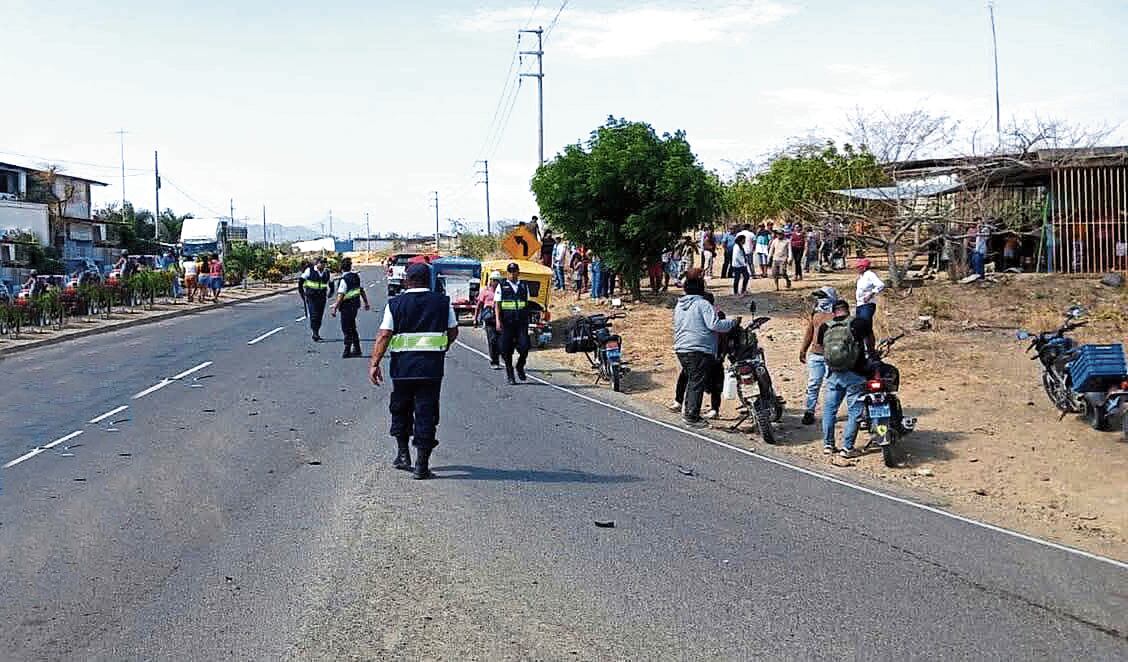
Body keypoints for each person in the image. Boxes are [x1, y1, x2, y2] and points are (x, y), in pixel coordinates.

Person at [369, 263, 458, 479]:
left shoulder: (395, 304)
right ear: (429, 280)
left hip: (403, 370)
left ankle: (402, 455)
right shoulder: (442, 302)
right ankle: (421, 465)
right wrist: (440, 347)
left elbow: (384, 335)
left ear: (407, 280)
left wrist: (374, 363)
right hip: (431, 370)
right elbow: (453, 331)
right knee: (427, 413)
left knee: (400, 409)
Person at [673, 269, 736, 429]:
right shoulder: (703, 304)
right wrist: (733, 323)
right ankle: (692, 416)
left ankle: (687, 410)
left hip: (681, 348)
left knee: (691, 379)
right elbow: (714, 325)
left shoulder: (680, 305)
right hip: (698, 349)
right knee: (696, 382)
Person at [819, 299, 874, 458]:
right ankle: (847, 448)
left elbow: (823, 349)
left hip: (834, 374)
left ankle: (828, 445)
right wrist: (872, 354)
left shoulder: (825, 326)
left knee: (829, 410)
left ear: (833, 311)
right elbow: (870, 343)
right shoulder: (859, 323)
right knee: (854, 412)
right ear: (847, 310)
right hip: (856, 374)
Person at [669, 292, 726, 418]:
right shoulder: (696, 315)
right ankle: (680, 402)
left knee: (714, 381)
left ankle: (712, 409)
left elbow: (722, 335)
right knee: (686, 376)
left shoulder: (716, 315)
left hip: (711, 353)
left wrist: (721, 354)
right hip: (699, 353)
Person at [798, 286, 839, 426]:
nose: (820, 300)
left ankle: (829, 413)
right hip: (815, 354)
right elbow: (810, 331)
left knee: (830, 385)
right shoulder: (815, 313)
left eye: (823, 297)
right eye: (819, 297)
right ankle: (809, 411)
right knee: (813, 384)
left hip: (831, 356)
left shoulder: (837, 315)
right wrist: (803, 349)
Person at [495, 262, 532, 385]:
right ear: (507, 273)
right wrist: (498, 321)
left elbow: (527, 302)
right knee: (506, 349)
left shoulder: (523, 285)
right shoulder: (502, 286)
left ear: (518, 272)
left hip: (521, 322)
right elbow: (497, 305)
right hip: (507, 322)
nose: (512, 274)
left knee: (525, 346)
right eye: (510, 271)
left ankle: (520, 366)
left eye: (514, 271)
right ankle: (510, 374)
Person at [330, 257, 371, 358]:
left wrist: (335, 307)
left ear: (341, 268)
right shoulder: (355, 276)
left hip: (346, 307)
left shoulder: (344, 280)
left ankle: (347, 350)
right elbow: (361, 290)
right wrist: (366, 302)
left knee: (346, 328)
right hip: (355, 306)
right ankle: (357, 349)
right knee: (352, 327)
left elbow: (341, 295)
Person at [475, 270, 503, 369]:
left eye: (498, 280)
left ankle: (498, 355)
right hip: (489, 318)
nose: (496, 282)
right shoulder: (485, 292)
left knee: (501, 340)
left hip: (500, 318)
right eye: (495, 280)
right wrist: (476, 318)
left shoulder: (502, 292)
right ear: (490, 280)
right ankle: (494, 361)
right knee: (492, 340)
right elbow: (479, 305)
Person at [300, 257, 333, 341]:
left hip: (322, 297)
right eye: (321, 263)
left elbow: (331, 284)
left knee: (319, 316)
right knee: (314, 315)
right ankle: (315, 333)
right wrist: (302, 294)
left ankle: (317, 331)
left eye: (324, 263)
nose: (323, 265)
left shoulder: (327, 272)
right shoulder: (309, 271)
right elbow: (300, 282)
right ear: (317, 263)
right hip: (311, 297)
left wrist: (331, 292)